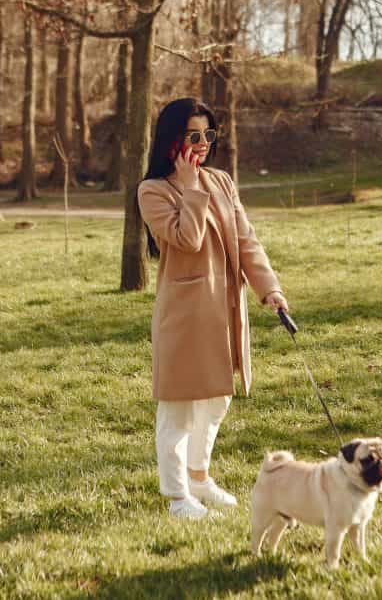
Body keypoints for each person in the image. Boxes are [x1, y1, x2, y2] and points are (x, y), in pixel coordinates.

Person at [138, 97, 289, 520]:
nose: (203, 143)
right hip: (186, 317)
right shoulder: (152, 191)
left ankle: (199, 478)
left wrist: (268, 288)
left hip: (225, 311)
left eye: (209, 134)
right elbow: (187, 239)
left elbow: (246, 240)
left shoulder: (222, 181)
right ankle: (177, 497)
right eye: (193, 135)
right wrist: (188, 188)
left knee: (218, 399)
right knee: (180, 408)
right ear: (172, 139)